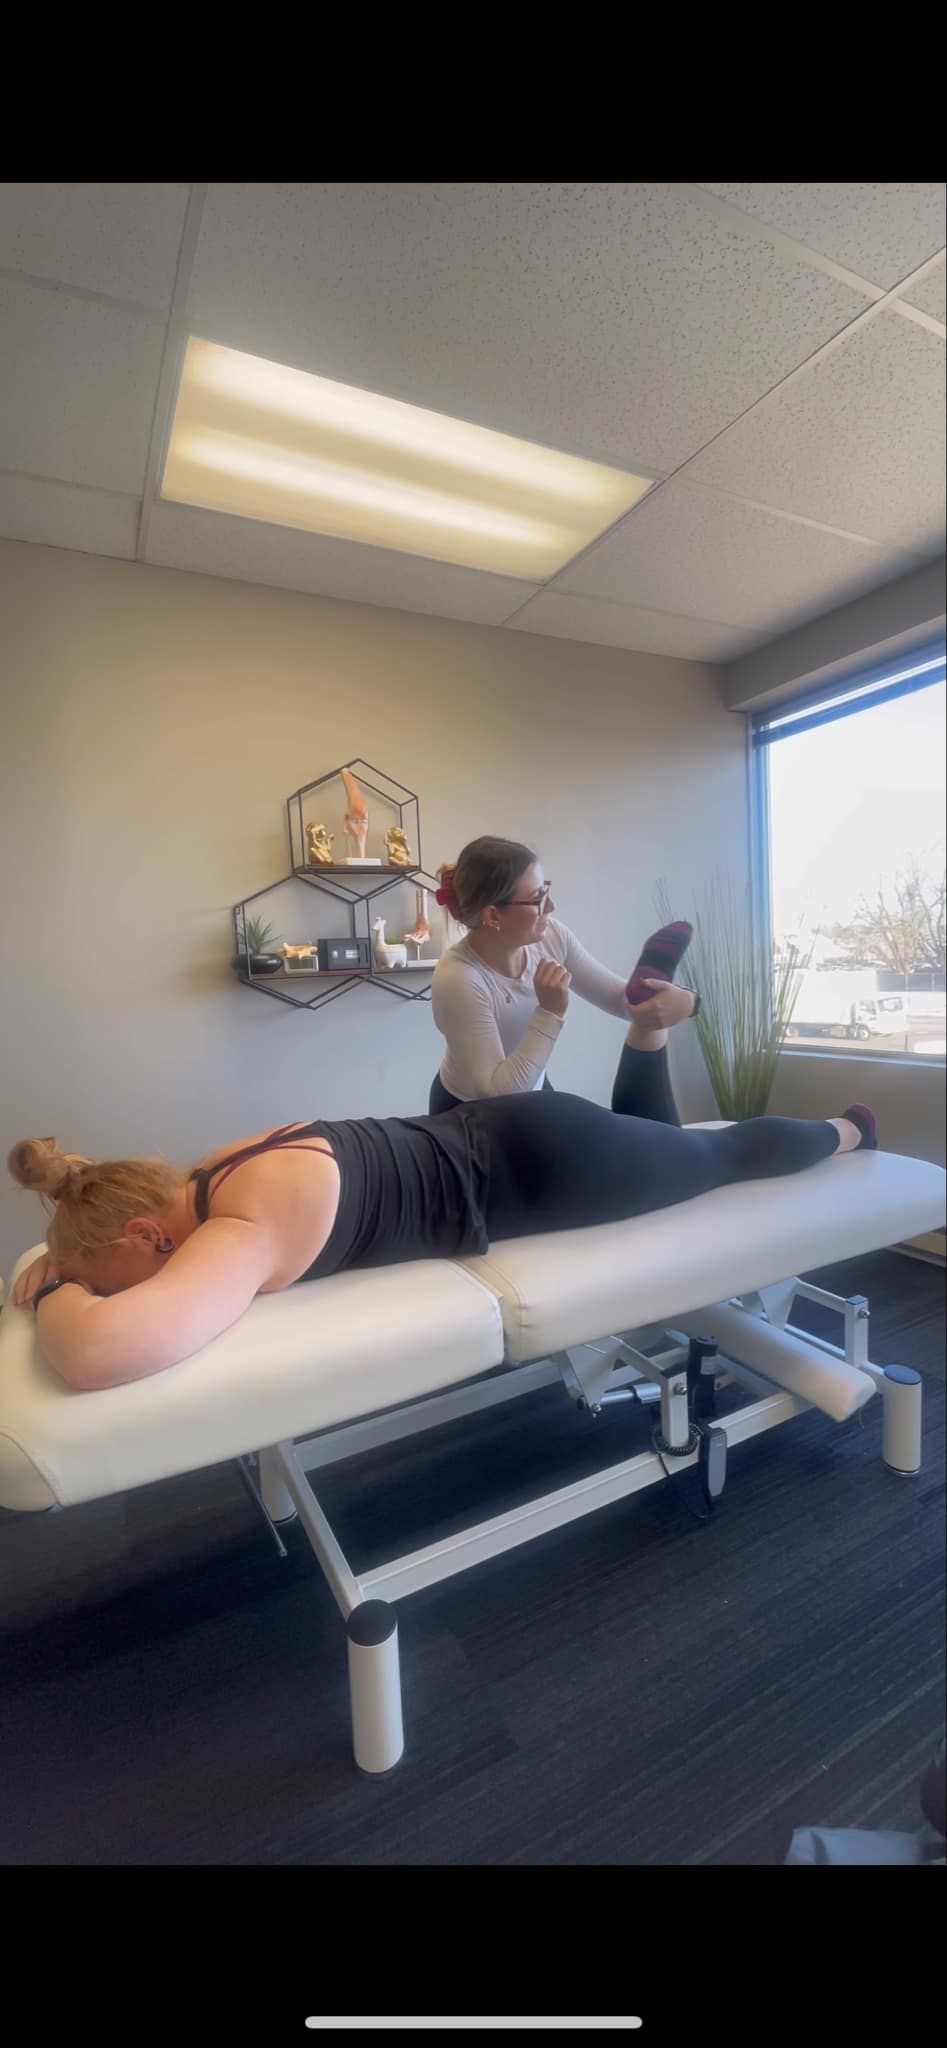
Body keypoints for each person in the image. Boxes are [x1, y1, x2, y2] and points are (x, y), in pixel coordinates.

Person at [8, 1094, 877, 1392]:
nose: (107, 1292)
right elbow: (119, 1273)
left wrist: (60, 1292)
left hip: (554, 1170)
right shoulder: (212, 1171)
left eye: (107, 1276)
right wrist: (70, 1255)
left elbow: (97, 1355)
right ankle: (830, 1128)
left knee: (712, 1154)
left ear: (145, 1233)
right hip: (508, 1131)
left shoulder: (245, 1230)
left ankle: (845, 1131)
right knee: (691, 1146)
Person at [429, 837, 698, 1115]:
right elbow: (495, 1093)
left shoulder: (552, 937)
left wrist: (688, 1000)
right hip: (471, 1113)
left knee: (618, 1140)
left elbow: (623, 1002)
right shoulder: (458, 978)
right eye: (537, 899)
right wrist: (550, 1012)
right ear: (494, 916)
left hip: (531, 1086)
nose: (551, 907)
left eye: (546, 890)